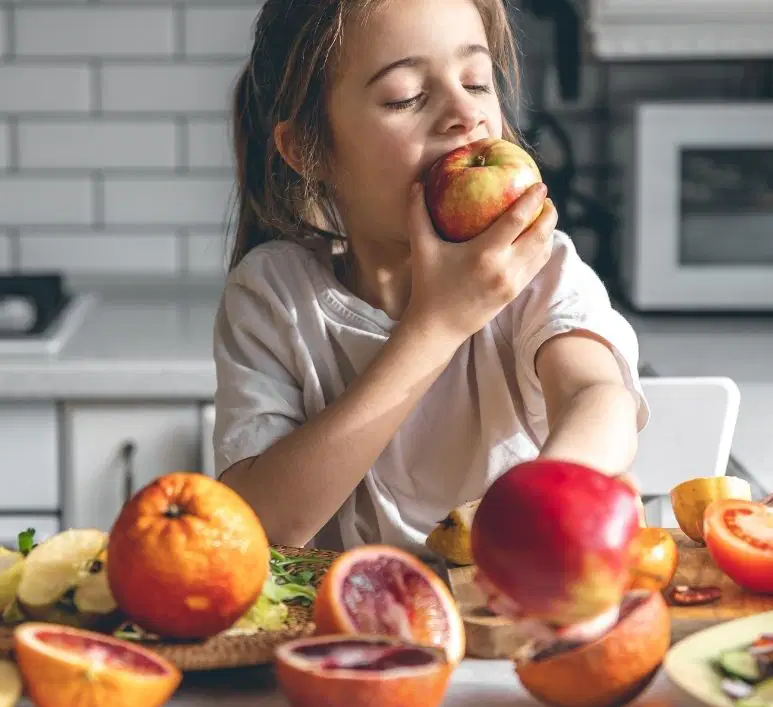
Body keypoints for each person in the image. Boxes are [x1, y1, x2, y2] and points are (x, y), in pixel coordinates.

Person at [211, 0, 650, 556]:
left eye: (476, 82)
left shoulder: (536, 269)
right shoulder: (273, 296)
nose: (463, 115)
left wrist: (552, 497)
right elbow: (260, 525)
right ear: (307, 149)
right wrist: (437, 326)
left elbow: (597, 395)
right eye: (406, 97)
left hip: (508, 614)